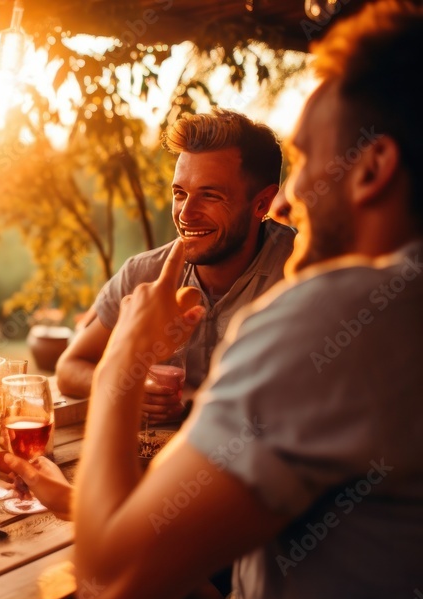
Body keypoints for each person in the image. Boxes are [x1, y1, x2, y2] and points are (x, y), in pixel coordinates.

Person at [13, 1, 423, 599]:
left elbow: (110, 585)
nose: (293, 197)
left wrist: (125, 358)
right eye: (179, 192)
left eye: (311, 158)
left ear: (372, 167)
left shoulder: (329, 313)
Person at [55, 109, 295, 424]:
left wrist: (193, 404)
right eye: (180, 193)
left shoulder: (303, 272)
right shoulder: (143, 274)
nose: (185, 214)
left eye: (210, 195)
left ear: (262, 204)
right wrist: (129, 387)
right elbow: (69, 367)